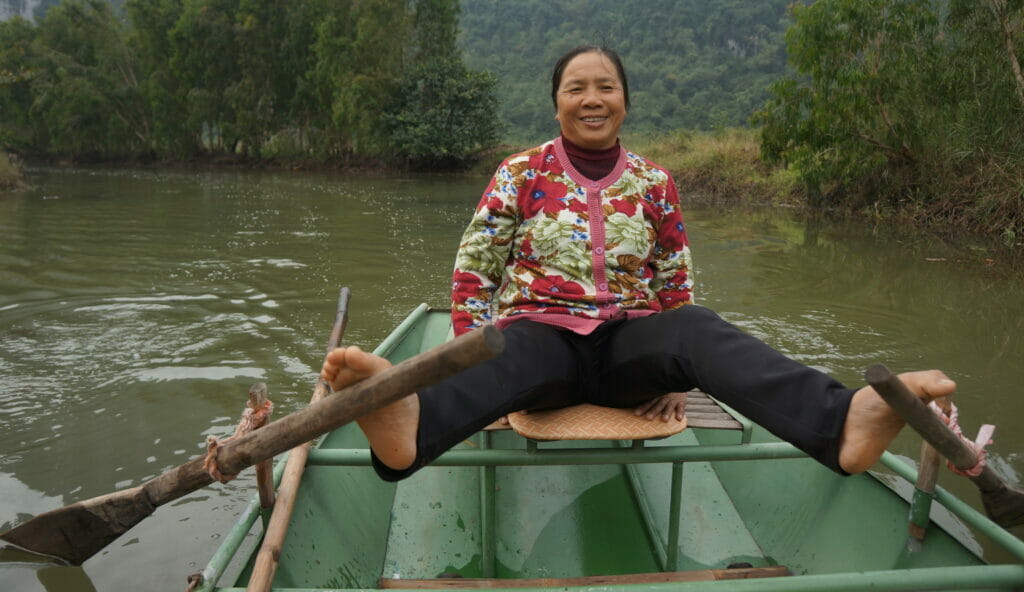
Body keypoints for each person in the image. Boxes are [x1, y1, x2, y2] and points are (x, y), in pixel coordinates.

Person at [321, 45, 956, 480]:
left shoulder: (655, 181)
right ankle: (413, 418)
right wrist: (468, 352)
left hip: (630, 349)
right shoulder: (520, 171)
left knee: (696, 326)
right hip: (542, 338)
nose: (592, 98)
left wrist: (675, 375)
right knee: (502, 351)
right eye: (577, 88)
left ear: (625, 100)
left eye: (606, 87)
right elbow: (474, 273)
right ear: (557, 103)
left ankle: (840, 420)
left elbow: (673, 282)